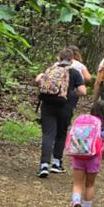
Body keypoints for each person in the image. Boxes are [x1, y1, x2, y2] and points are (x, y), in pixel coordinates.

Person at [35, 50, 86, 179]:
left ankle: (44, 165)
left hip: (47, 105)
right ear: (72, 61)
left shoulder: (50, 70)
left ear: (58, 59)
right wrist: (71, 94)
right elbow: (83, 91)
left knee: (47, 134)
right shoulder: (74, 72)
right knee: (61, 134)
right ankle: (56, 163)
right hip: (65, 107)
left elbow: (38, 80)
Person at [66, 100, 104, 207]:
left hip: (78, 154)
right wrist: (103, 155)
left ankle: (76, 202)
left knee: (77, 184)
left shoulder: (84, 122)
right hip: (93, 157)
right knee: (89, 185)